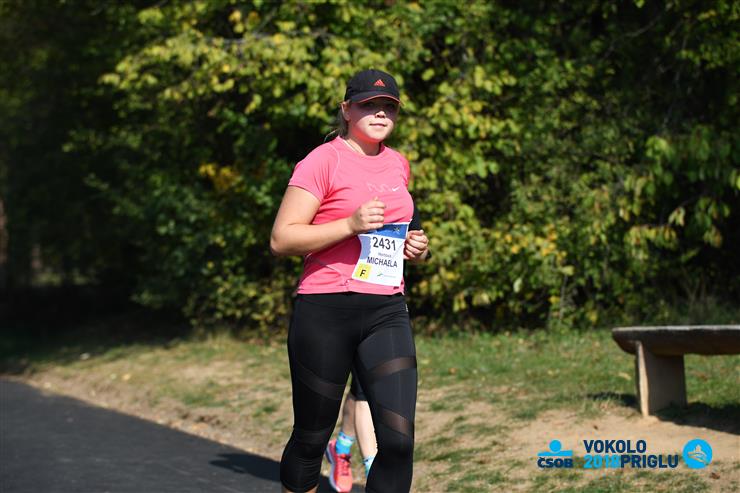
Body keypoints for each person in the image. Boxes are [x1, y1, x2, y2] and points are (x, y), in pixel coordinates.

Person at [271, 68, 430, 493]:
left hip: (385, 311)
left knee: (398, 442)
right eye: (368, 105)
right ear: (346, 110)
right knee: (311, 438)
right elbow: (282, 238)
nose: (379, 113)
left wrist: (417, 247)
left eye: (388, 107)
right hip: (325, 310)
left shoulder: (398, 163)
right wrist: (349, 225)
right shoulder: (322, 161)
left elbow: (402, 230)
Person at [324, 204, 424, 493]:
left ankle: (342, 447)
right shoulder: (344, 191)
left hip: (386, 305)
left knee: (364, 386)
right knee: (365, 388)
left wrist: (419, 248)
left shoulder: (400, 195)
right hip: (341, 301)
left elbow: (420, 248)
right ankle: (371, 465)